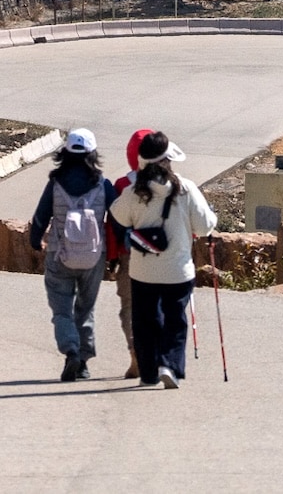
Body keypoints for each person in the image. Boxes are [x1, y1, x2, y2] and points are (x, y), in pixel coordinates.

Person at [108, 130, 216, 389]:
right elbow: (204, 226)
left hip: (143, 271)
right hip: (178, 271)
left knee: (145, 322)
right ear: (167, 159)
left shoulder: (135, 191)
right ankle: (170, 365)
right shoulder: (185, 188)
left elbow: (118, 216)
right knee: (175, 321)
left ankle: (148, 373)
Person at [30, 128, 118, 381]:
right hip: (93, 256)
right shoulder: (103, 185)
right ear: (92, 153)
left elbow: (40, 217)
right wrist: (117, 252)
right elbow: (118, 218)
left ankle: (71, 350)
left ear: (66, 152)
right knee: (86, 308)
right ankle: (84, 362)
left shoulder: (55, 184)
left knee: (61, 311)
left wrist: (35, 241)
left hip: (60, 255)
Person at [107, 128, 154, 379]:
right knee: (155, 305)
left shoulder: (122, 185)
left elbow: (114, 225)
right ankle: (155, 354)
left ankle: (135, 353)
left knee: (129, 307)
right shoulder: (168, 183)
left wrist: (112, 256)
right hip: (160, 256)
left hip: (128, 255)